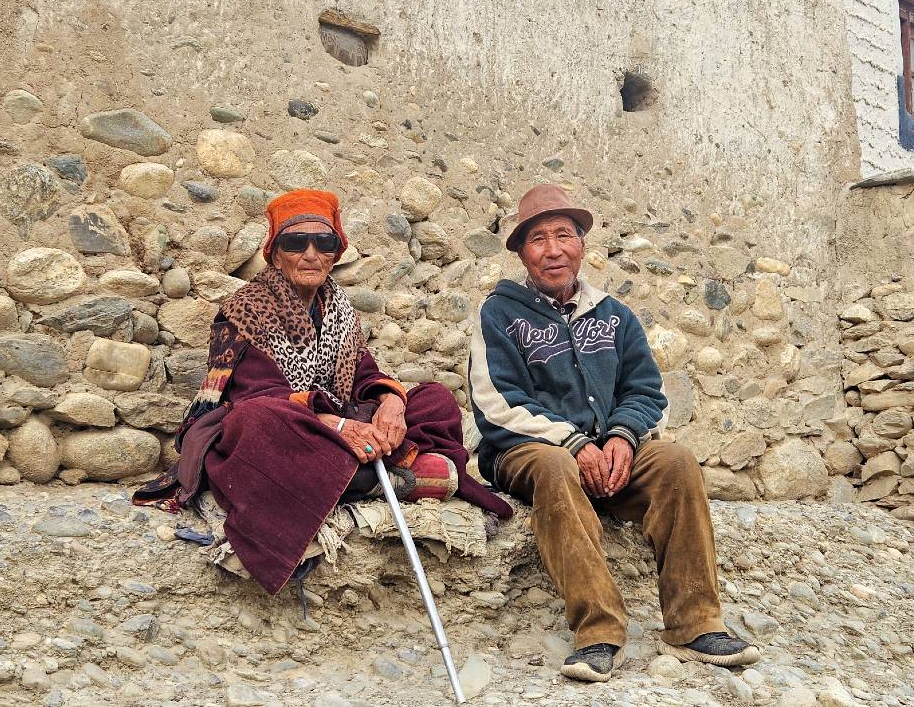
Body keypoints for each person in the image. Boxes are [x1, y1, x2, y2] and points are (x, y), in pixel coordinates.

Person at [136, 189, 512, 595]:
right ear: (275, 253)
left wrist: (390, 404)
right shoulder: (244, 308)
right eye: (296, 243)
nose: (311, 253)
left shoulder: (339, 307)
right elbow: (256, 394)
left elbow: (364, 372)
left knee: (434, 398)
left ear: (336, 252)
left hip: (339, 418)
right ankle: (377, 477)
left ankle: (351, 474)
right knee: (256, 422)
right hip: (285, 422)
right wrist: (336, 424)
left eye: (324, 242)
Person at [468, 184, 759, 682]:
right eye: (538, 238)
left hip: (609, 449)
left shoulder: (615, 315)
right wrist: (575, 443)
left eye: (564, 234)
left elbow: (646, 391)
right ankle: (598, 630)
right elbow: (496, 402)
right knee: (557, 466)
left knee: (676, 461)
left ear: (582, 244)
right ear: (522, 252)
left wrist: (623, 437)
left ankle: (695, 623)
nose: (553, 249)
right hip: (526, 451)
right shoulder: (498, 314)